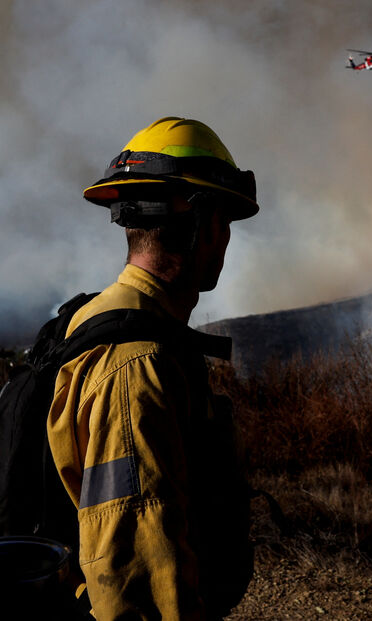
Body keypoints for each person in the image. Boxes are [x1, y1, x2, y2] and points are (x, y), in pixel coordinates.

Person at [46, 117, 258, 619]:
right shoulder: (137, 367)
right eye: (223, 220)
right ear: (205, 225)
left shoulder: (97, 317)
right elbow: (136, 579)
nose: (225, 237)